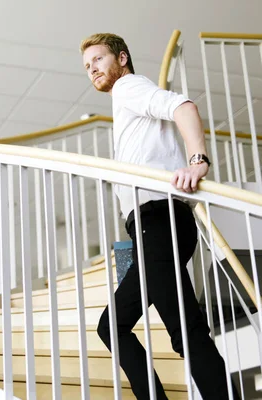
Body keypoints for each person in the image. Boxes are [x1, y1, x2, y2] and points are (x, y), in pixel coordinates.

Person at [80, 33, 236, 399]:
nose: (92, 70)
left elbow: (184, 107)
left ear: (122, 58)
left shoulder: (128, 87)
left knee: (184, 329)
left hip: (158, 220)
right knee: (113, 326)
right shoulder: (129, 104)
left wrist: (198, 160)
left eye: (98, 60)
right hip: (152, 227)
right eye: (87, 67)